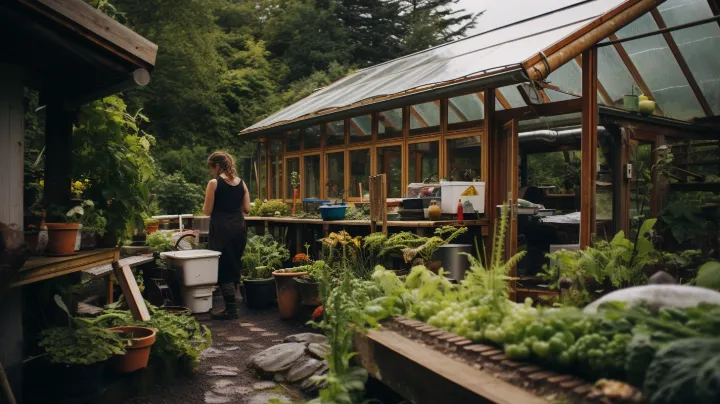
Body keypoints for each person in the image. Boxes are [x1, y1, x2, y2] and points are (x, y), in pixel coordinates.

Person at [203, 151, 251, 320]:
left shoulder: (214, 183)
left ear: (217, 166)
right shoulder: (242, 184)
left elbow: (207, 211)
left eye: (212, 168)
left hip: (221, 229)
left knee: (223, 266)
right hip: (239, 228)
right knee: (234, 264)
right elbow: (247, 209)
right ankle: (232, 308)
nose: (211, 172)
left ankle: (231, 310)